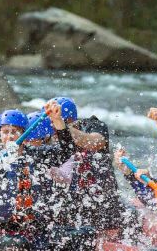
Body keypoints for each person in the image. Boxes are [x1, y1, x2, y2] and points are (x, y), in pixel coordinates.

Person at [0, 106, 96, 251]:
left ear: (23, 134)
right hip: (1, 234)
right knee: (18, 244)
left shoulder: (37, 154)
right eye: (5, 131)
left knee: (86, 234)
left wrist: (58, 122)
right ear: (0, 134)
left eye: (14, 131)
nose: (9, 136)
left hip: (37, 232)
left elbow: (67, 151)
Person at [45, 97, 133, 240]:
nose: (54, 134)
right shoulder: (47, 139)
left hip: (104, 202)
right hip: (72, 206)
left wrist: (60, 125)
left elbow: (95, 142)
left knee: (132, 217)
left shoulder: (94, 124)